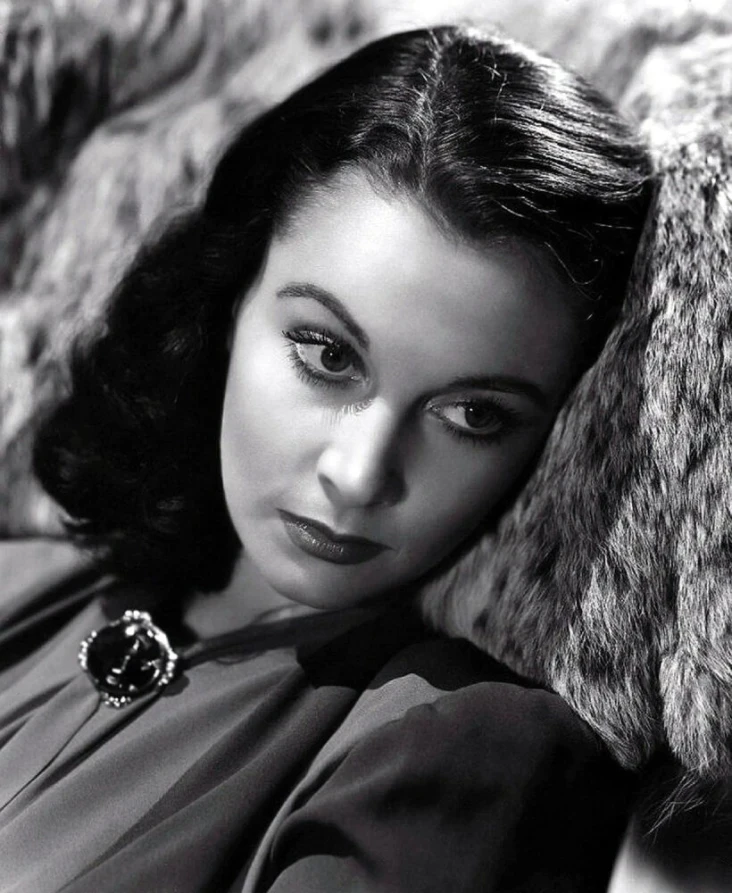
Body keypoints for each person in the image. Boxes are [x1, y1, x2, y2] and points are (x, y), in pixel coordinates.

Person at [0, 24, 651, 893]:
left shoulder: (464, 747)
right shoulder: (26, 579)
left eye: (472, 414)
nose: (359, 474)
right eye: (328, 354)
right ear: (230, 295)